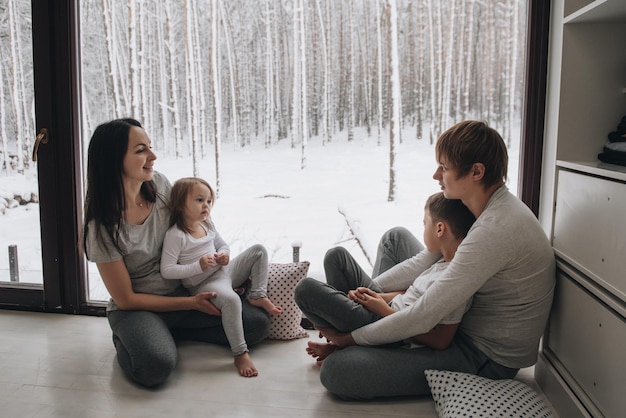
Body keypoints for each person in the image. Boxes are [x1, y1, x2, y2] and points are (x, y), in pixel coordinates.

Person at [299, 120, 556, 400]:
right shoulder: (481, 206)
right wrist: (371, 294)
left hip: (480, 354)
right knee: (394, 238)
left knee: (337, 372)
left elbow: (424, 316)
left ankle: (363, 333)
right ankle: (365, 323)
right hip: (436, 315)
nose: (436, 175)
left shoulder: (494, 230)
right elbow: (426, 260)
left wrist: (347, 339)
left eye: (444, 167)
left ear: (476, 172)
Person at [82, 118, 270, 387]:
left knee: (257, 325)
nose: (152, 156)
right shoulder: (100, 226)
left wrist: (217, 261)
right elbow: (125, 299)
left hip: (186, 292)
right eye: (140, 150)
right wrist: (192, 305)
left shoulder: (159, 185)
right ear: (114, 159)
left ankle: (169, 331)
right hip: (139, 308)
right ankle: (135, 335)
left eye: (150, 147)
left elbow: (196, 224)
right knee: (154, 367)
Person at [296, 192, 476, 364]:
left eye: (424, 223)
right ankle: (343, 335)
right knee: (336, 256)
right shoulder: (441, 261)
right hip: (385, 308)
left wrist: (382, 310)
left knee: (305, 289)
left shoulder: (455, 279)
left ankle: (338, 340)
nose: (423, 229)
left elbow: (440, 340)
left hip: (391, 327)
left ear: (439, 229)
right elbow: (412, 294)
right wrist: (377, 298)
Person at [160, 177, 281, 377]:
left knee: (258, 251)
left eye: (208, 201)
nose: (206, 205)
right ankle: (240, 353)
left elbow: (222, 244)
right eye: (199, 200)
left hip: (224, 272)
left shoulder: (206, 223)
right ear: (181, 204)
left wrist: (224, 255)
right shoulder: (176, 235)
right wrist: (196, 266)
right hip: (205, 284)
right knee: (232, 301)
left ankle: (257, 295)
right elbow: (168, 270)